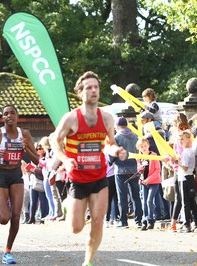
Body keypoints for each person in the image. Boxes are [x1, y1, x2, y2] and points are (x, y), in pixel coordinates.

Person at [51, 71, 126, 266]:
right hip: (77, 178)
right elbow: (55, 141)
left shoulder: (108, 118)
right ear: (80, 93)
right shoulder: (71, 118)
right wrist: (66, 159)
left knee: (98, 220)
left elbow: (109, 143)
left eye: (96, 87)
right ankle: (68, 204)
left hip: (99, 177)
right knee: (76, 228)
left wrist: (117, 150)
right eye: (89, 88)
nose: (94, 91)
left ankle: (88, 261)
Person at [0, 104, 39, 265]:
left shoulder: (24, 134)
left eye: (12, 113)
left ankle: (7, 252)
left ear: (17, 116)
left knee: (16, 216)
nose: (9, 116)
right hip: (1, 176)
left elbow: (37, 160)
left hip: (16, 175)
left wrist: (26, 149)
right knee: (4, 218)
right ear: (2, 118)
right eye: (5, 114)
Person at [111, 117, 142, 229]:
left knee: (122, 197)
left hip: (121, 170)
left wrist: (111, 161)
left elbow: (113, 154)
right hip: (134, 169)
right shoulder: (135, 136)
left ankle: (123, 221)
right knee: (136, 196)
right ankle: (138, 221)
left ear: (118, 126)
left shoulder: (117, 137)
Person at [172, 131, 197, 232]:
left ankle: (186, 223)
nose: (180, 141)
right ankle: (196, 222)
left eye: (182, 139)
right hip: (189, 178)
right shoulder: (189, 151)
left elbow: (185, 168)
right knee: (192, 201)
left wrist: (176, 162)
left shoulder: (186, 152)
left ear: (188, 139)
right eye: (179, 139)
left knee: (185, 202)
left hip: (184, 178)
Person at [136, 137, 161, 231]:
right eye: (141, 147)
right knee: (144, 202)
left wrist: (148, 179)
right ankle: (145, 221)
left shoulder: (154, 156)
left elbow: (157, 170)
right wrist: (140, 170)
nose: (143, 148)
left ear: (148, 146)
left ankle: (151, 220)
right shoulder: (139, 157)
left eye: (145, 146)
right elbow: (139, 169)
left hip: (154, 182)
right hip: (143, 182)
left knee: (149, 201)